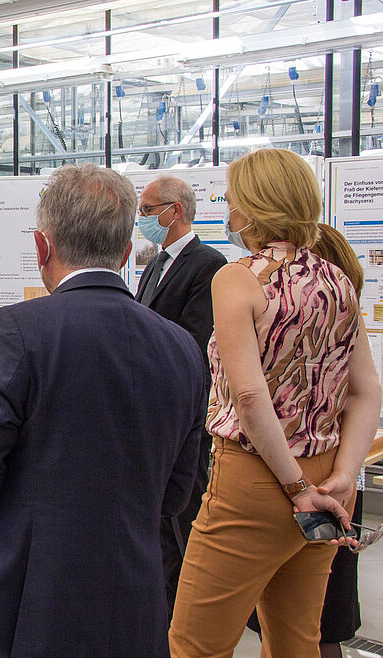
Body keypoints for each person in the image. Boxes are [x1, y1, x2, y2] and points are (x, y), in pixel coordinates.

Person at [0, 164, 206, 657]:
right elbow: (176, 494)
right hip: (133, 603)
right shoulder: (184, 348)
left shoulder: (17, 330)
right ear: (127, 254)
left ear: (42, 246)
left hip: (19, 604)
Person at [169, 149, 381, 657]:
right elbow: (366, 389)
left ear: (255, 206)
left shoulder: (238, 277)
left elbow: (248, 395)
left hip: (257, 478)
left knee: (195, 642)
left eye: (234, 199)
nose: (229, 209)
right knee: (296, 638)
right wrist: (341, 480)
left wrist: (295, 486)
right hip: (330, 475)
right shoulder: (338, 281)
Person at [245, 223, 369, 658]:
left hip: (301, 483)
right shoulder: (332, 324)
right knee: (302, 625)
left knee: (308, 626)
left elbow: (248, 401)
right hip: (330, 483)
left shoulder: (328, 325)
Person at [134, 175, 227, 615]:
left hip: (182, 413)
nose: (143, 219)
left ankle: (195, 608)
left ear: (177, 210)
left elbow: (195, 343)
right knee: (159, 519)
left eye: (149, 211)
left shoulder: (208, 263)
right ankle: (165, 605)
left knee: (186, 513)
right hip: (151, 411)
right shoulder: (153, 264)